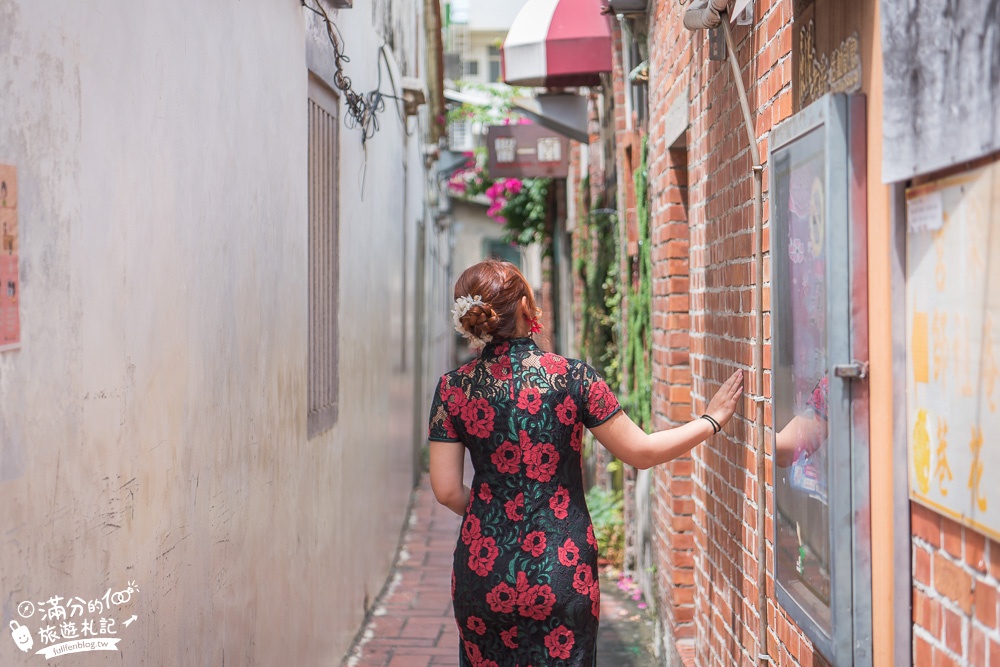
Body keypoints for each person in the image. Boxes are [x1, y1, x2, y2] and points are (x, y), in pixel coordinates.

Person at [427, 260, 742, 667]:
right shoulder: (573, 378)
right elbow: (641, 452)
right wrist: (710, 421)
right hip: (562, 565)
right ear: (524, 305)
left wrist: (494, 513)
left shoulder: (453, 388)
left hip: (483, 568)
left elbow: (447, 490)